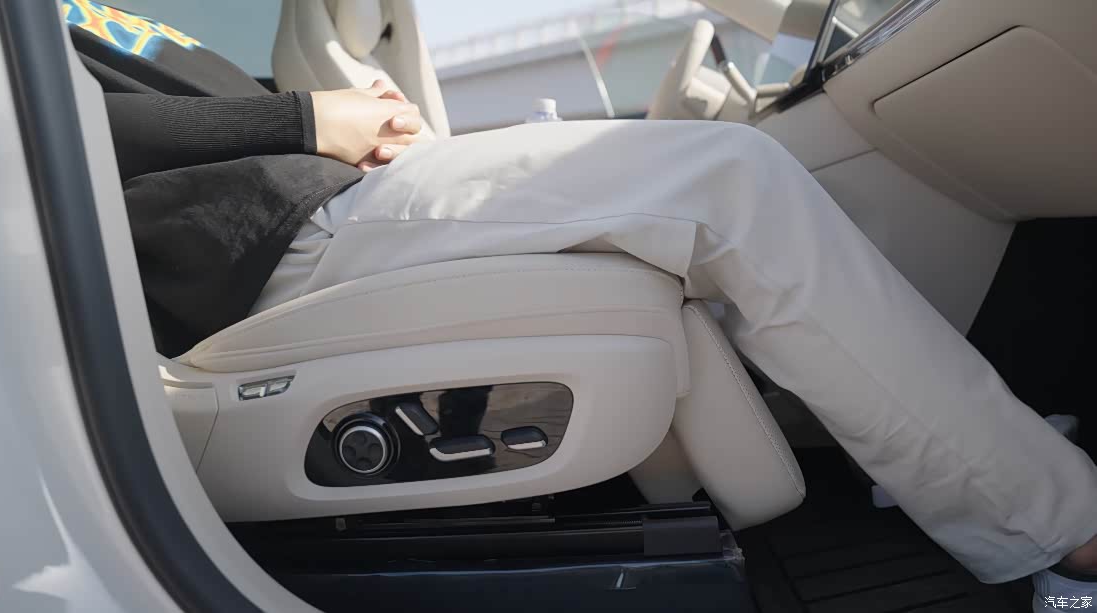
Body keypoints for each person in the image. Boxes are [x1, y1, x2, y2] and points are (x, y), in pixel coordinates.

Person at [62, 0, 1097, 603]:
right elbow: (39, 132)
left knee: (712, 188)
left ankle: (954, 458)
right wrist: (301, 117)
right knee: (729, 178)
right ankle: (1054, 527)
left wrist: (343, 117)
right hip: (267, 236)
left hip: (315, 200)